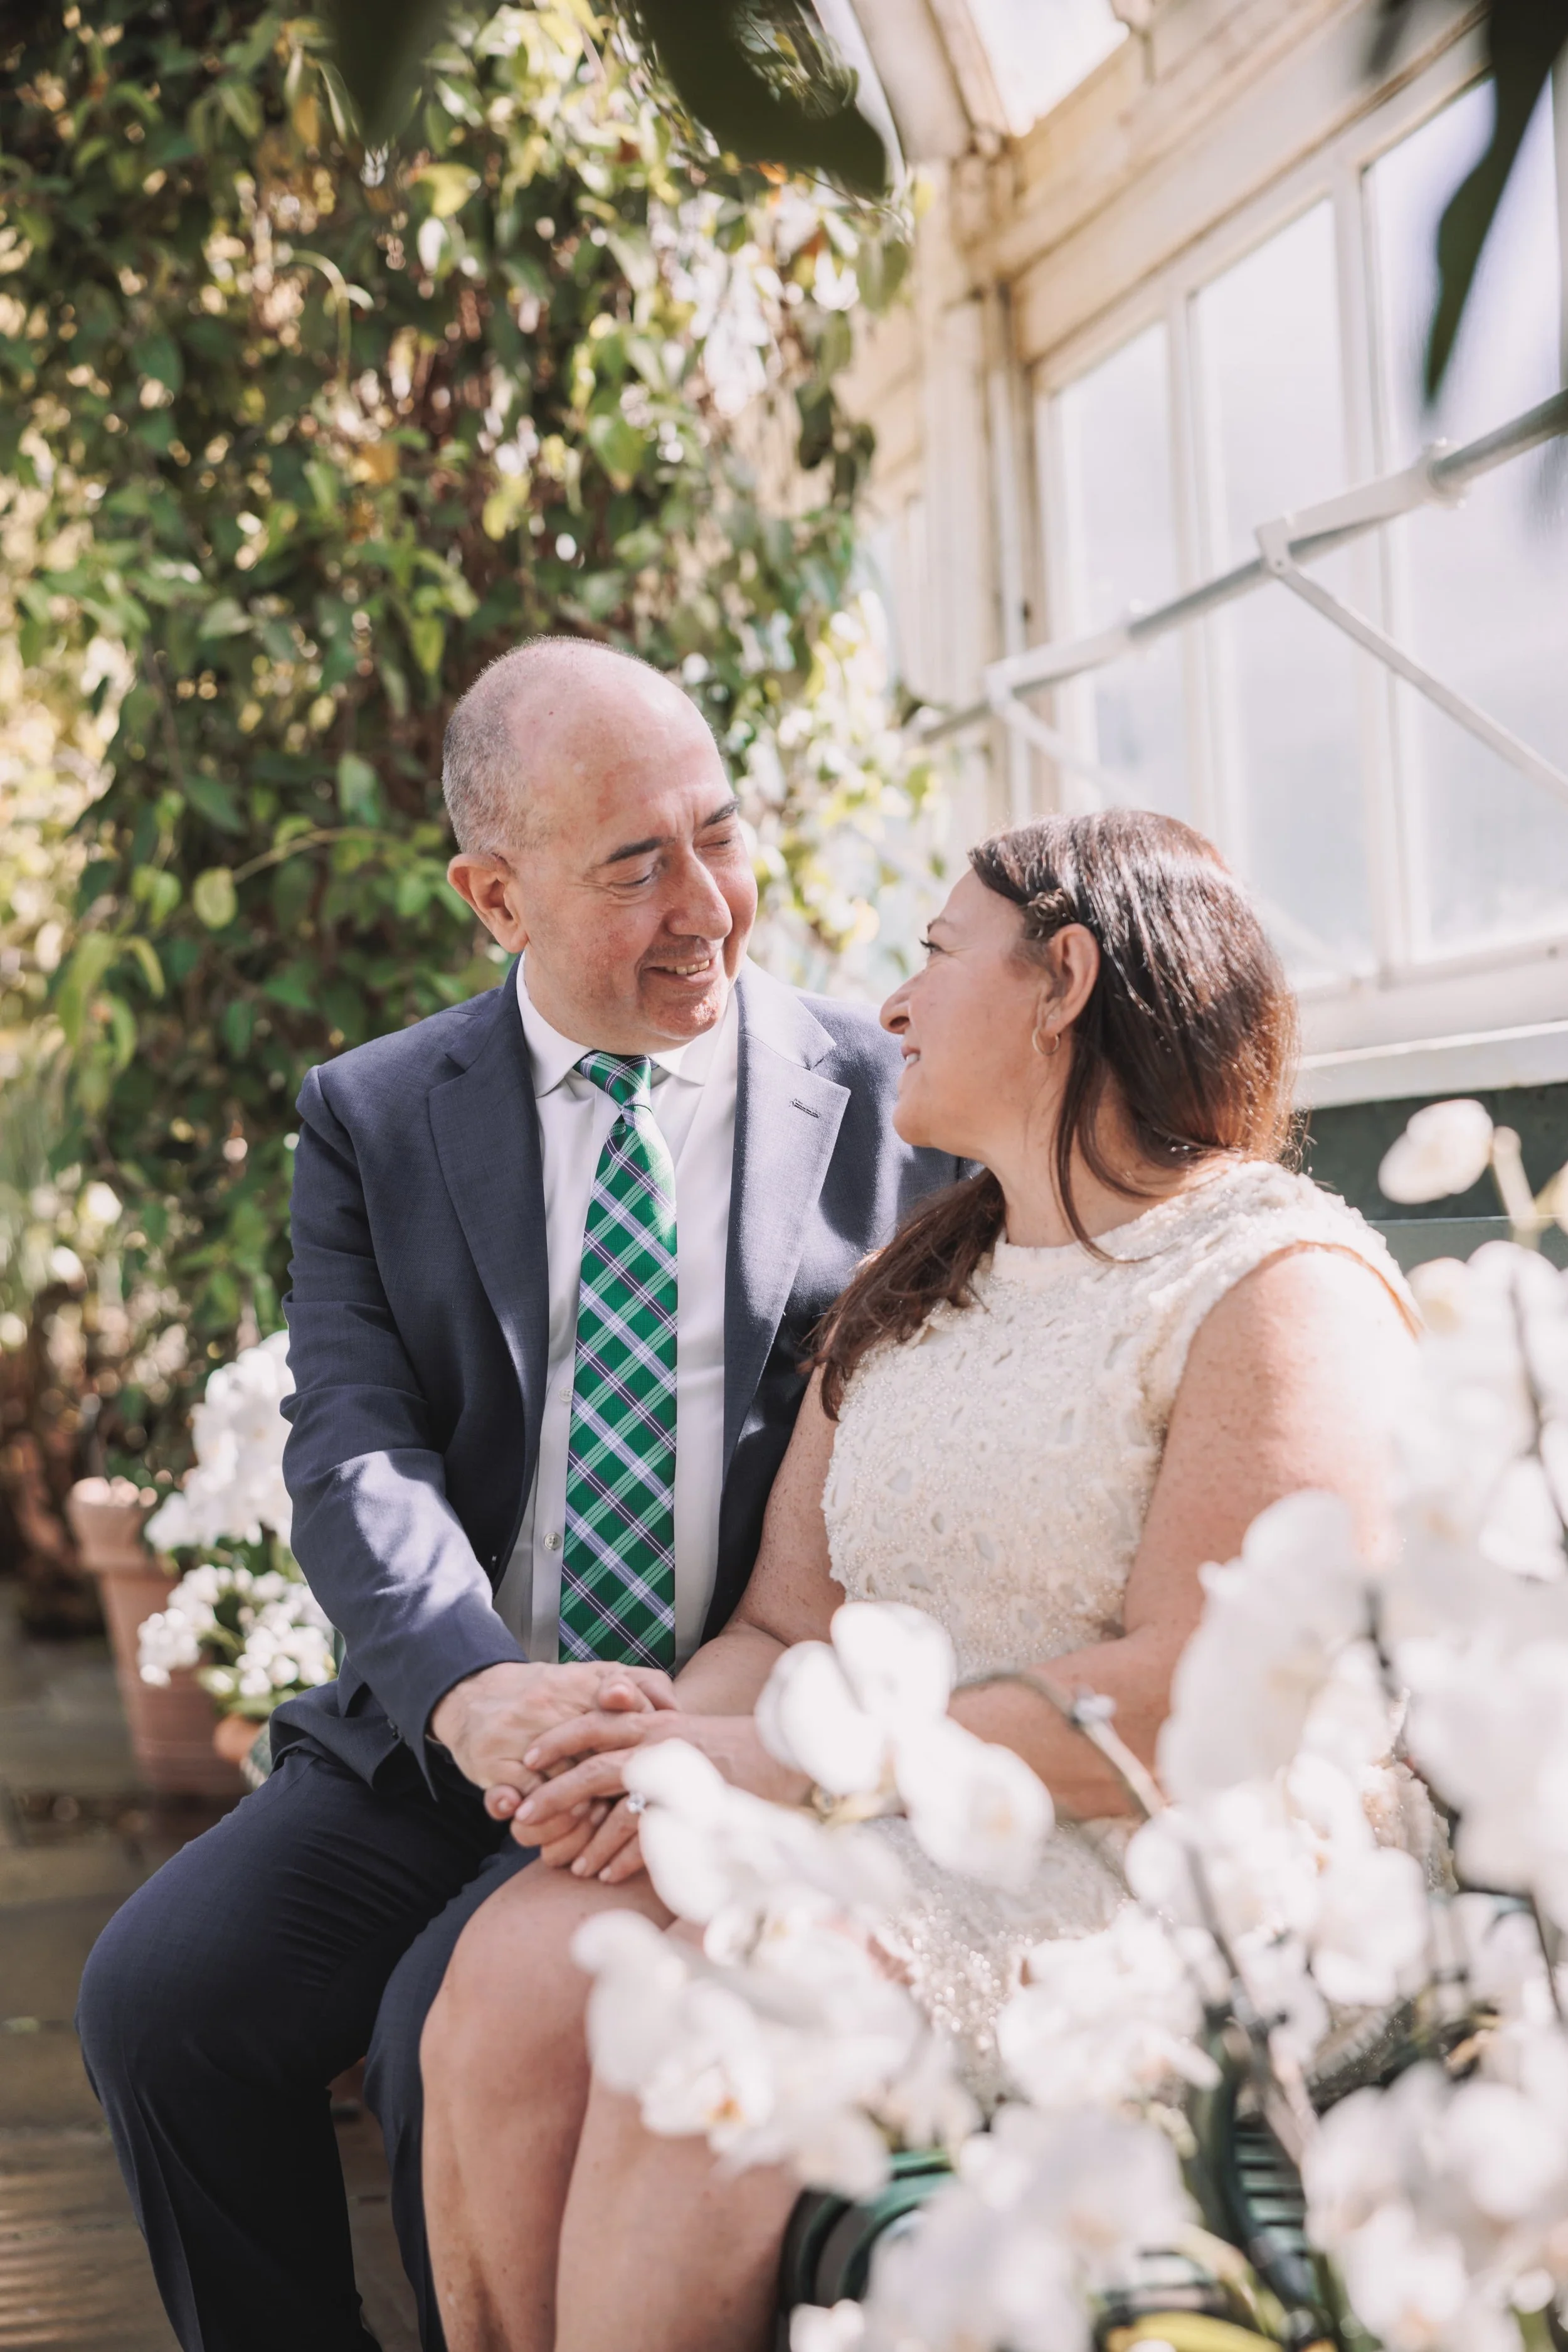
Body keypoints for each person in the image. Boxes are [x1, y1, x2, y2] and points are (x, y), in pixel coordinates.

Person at [417, 807, 1419, 2352]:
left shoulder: (1273, 1281)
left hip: (1167, 1857)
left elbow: (1201, 1703)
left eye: (935, 953)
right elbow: (775, 1621)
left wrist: (783, 1765)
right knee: (517, 1969)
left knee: (736, 1994)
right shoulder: (918, 1286)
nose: (889, 1005)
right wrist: (652, 1763)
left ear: (1061, 977)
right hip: (888, 1811)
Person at [75, 637, 963, 2352]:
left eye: (717, 831)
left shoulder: (892, 1104)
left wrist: (728, 1741)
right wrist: (471, 1687)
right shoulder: (379, 1114)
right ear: (497, 898)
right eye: (636, 865)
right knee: (158, 2000)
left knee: (440, 2033)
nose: (707, 900)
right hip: (452, 1730)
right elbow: (355, 1444)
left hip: (713, 1745)